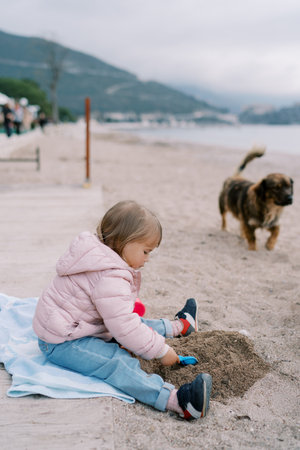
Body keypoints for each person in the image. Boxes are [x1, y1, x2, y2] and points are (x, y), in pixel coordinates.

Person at [33, 200, 212, 420]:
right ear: (123, 243)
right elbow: (123, 327)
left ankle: (181, 326)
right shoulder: (109, 275)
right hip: (63, 342)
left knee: (134, 323)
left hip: (82, 326)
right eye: (146, 251)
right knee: (116, 362)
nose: (147, 259)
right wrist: (162, 351)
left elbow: (123, 320)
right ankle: (180, 402)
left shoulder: (99, 255)